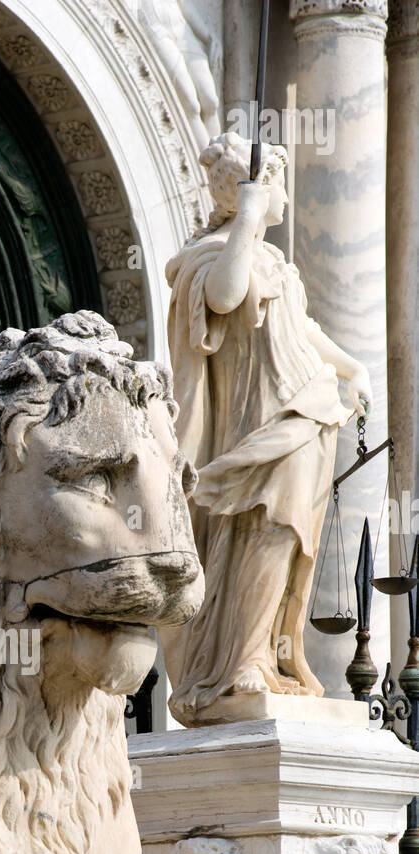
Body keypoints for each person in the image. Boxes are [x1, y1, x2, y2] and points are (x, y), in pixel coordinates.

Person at [162, 132, 372, 725]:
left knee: (293, 537)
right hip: (254, 423)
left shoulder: (276, 262)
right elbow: (225, 299)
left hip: (307, 410)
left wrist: (351, 367)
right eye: (275, 182)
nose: (282, 196)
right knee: (265, 527)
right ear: (248, 191)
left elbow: (302, 331)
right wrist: (248, 220)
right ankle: (243, 659)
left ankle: (274, 655)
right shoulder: (211, 257)